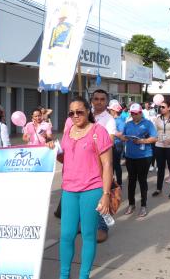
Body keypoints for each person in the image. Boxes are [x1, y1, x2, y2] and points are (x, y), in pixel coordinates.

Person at [49, 96, 113, 279]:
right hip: (69, 190)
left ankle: (84, 275)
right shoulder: (68, 131)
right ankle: (64, 275)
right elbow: (65, 157)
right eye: (71, 113)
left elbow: (107, 165)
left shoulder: (98, 132)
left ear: (88, 112)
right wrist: (54, 150)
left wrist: (106, 194)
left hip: (91, 190)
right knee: (67, 235)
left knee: (88, 235)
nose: (75, 115)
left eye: (79, 112)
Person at [121, 103, 158, 217]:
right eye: (132, 113)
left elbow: (154, 138)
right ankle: (131, 204)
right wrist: (124, 138)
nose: (134, 115)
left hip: (144, 156)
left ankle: (143, 205)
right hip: (130, 156)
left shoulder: (148, 123)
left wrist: (142, 141)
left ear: (141, 112)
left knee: (142, 180)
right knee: (131, 181)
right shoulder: (128, 124)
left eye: (136, 113)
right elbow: (123, 136)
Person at [91, 89, 116, 243]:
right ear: (92, 101)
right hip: (84, 164)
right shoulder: (86, 115)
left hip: (101, 163)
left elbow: (110, 141)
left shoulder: (109, 120)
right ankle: (87, 224)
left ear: (106, 102)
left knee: (101, 195)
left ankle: (102, 227)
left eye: (102, 99)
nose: (99, 101)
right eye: (96, 99)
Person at [108, 100, 125, 186]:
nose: (109, 111)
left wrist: (112, 132)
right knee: (110, 165)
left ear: (114, 111)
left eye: (110, 110)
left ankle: (119, 183)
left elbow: (121, 133)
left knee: (116, 165)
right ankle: (111, 182)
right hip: (110, 144)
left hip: (117, 145)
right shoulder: (110, 119)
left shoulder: (119, 121)